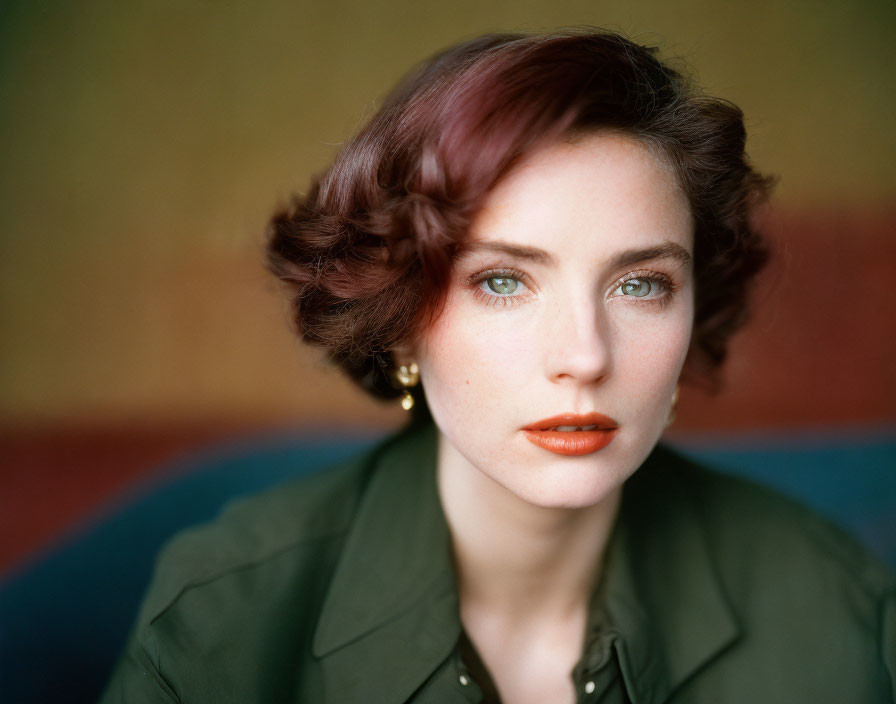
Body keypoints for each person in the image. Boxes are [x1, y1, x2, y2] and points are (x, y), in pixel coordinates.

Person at [100, 28, 895, 703]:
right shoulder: (222, 624)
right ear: (401, 319)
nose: (584, 356)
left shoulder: (841, 618)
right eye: (503, 281)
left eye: (641, 284)